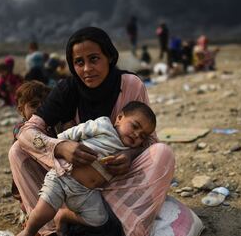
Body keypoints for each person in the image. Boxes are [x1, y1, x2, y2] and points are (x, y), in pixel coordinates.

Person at [9, 27, 202, 236]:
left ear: (109, 57)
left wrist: (129, 154)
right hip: (71, 178)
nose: (87, 69)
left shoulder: (130, 85)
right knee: (18, 151)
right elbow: (27, 130)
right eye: (79, 62)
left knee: (163, 153)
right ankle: (51, 230)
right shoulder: (67, 90)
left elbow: (150, 141)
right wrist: (60, 147)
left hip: (118, 180)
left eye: (94, 59)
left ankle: (116, 223)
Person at [18, 101, 156, 236]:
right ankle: (28, 231)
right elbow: (74, 133)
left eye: (143, 135)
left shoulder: (129, 152)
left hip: (87, 192)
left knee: (99, 220)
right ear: (119, 118)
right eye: (135, 126)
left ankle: (64, 215)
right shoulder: (103, 125)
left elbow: (150, 147)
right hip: (63, 177)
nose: (137, 134)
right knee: (44, 212)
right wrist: (62, 144)